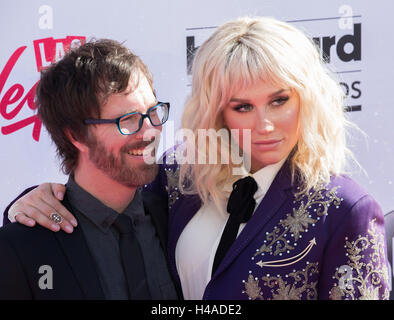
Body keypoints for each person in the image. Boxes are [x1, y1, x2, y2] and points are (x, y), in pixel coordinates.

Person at [4, 17, 390, 300]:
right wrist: (32, 202)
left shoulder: (344, 209)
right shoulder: (182, 175)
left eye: (279, 100)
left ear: (308, 97)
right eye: (242, 107)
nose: (266, 125)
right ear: (218, 110)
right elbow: (102, 192)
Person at [0, 39, 179, 300]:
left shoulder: (175, 219)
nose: (150, 130)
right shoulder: (21, 248)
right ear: (76, 135)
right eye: (127, 120)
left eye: (153, 111)